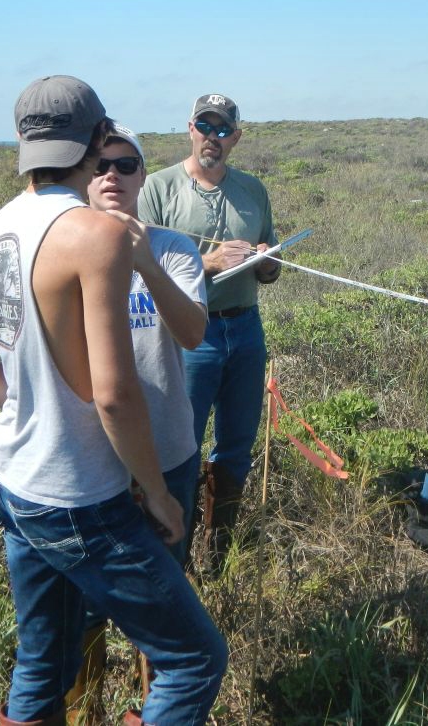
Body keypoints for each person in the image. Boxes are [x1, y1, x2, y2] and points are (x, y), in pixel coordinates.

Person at [0, 76, 226, 726]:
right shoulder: (92, 236)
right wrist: (155, 492)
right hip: (76, 495)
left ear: (22, 141)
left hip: (9, 479)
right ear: (97, 139)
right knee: (194, 660)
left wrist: (44, 415)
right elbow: (113, 392)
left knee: (43, 661)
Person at [63, 124, 210, 723]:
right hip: (91, 462)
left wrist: (147, 264)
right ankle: (86, 708)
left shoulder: (176, 248)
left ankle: (154, 708)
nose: (111, 177)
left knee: (164, 599)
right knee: (83, 607)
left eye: (125, 165)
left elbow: (193, 333)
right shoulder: (63, 248)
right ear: (81, 175)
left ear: (143, 175)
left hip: (169, 452)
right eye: (99, 165)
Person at [138, 93, 280, 577]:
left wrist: (267, 262)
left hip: (245, 329)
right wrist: (210, 263)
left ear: (236, 137)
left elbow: (270, 270)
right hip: (188, 338)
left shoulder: (253, 190)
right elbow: (143, 269)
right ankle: (173, 552)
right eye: (205, 126)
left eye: (223, 130)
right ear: (190, 128)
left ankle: (217, 554)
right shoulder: (157, 189)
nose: (212, 138)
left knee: (236, 446)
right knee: (181, 446)